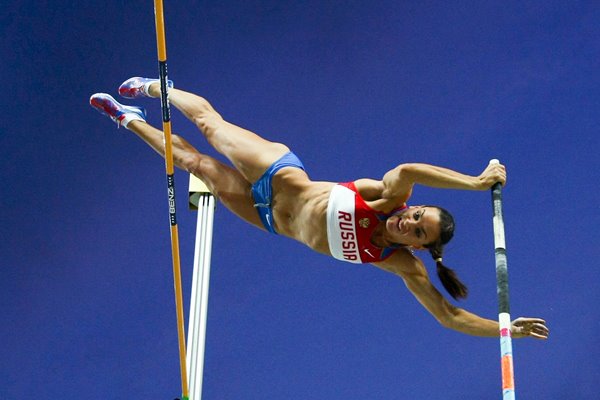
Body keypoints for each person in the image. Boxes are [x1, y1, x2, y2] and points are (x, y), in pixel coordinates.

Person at [90, 77, 549, 340]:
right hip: (277, 172)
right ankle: (158, 88)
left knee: (194, 164)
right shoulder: (386, 196)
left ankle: (126, 120)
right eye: (417, 214)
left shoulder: (399, 264)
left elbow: (449, 316)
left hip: (268, 217)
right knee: (211, 126)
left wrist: (506, 329)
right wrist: (474, 181)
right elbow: (409, 168)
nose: (408, 222)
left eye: (417, 230)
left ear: (420, 246)